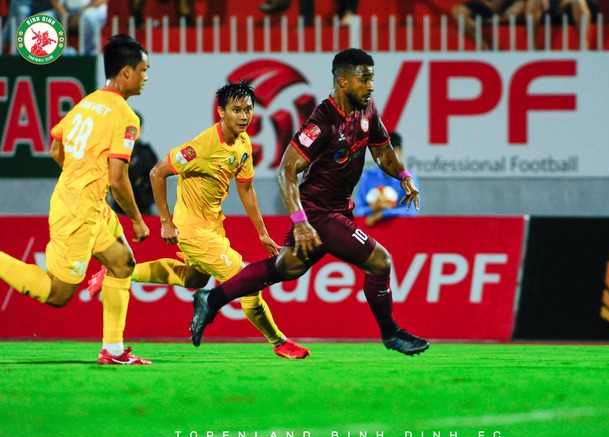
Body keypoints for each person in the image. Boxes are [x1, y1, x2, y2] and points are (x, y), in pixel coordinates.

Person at [190, 48, 430, 356]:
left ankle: (210, 299)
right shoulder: (322, 122)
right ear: (343, 81)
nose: (371, 86)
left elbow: (382, 152)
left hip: (340, 207)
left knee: (286, 267)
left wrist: (404, 175)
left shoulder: (367, 110)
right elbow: (287, 170)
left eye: (372, 79)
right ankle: (391, 333)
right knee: (380, 262)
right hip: (319, 213)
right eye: (364, 79)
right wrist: (300, 221)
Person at [89, 81, 311, 359]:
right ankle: (279, 341)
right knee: (246, 281)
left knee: (192, 277)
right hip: (192, 230)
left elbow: (246, 189)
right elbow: (157, 173)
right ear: (221, 111)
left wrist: (262, 232)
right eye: (236, 110)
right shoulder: (201, 147)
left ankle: (119, 271)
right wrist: (166, 222)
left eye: (248, 109)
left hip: (213, 226)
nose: (244, 116)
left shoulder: (243, 142)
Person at [0, 34, 152, 365]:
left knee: (122, 264)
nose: (145, 77)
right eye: (143, 70)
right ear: (126, 72)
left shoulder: (87, 103)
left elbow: (56, 146)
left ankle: (113, 350)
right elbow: (117, 179)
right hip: (78, 210)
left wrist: (79, 174)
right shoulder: (125, 116)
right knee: (58, 294)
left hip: (86, 202)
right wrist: (138, 220)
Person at [354, 131, 419, 227]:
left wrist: (383, 214)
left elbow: (413, 211)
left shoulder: (409, 179)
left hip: (400, 230)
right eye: (383, 152)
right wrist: (375, 208)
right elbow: (358, 211)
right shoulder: (368, 177)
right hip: (371, 230)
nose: (387, 157)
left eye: (392, 153)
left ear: (399, 153)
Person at [107, 110, 157, 215]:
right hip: (119, 208)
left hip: (143, 209)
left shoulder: (146, 154)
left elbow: (155, 179)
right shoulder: (113, 151)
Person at [451, 0, 528, 50]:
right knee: (459, 12)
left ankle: (488, 21)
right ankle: (486, 48)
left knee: (523, 7)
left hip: (512, 4)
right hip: (487, 5)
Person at [38, 0, 108, 55]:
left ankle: (90, 53)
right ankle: (63, 52)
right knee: (41, 19)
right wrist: (64, 15)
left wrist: (79, 14)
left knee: (88, 16)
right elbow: (55, 1)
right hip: (67, 10)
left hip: (92, 9)